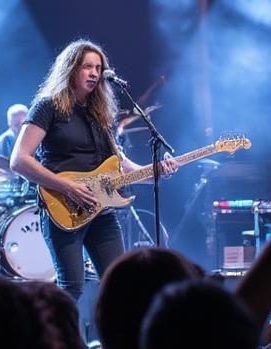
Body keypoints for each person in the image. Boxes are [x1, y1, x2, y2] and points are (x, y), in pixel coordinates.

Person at [10, 39, 175, 301]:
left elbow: (119, 164)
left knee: (119, 284)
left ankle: (114, 342)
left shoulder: (99, 112)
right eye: (87, 66)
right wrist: (67, 186)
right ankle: (63, 342)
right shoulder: (48, 106)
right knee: (71, 287)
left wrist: (153, 171)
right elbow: (18, 160)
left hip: (101, 211)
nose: (95, 73)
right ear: (71, 69)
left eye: (98, 67)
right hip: (62, 207)